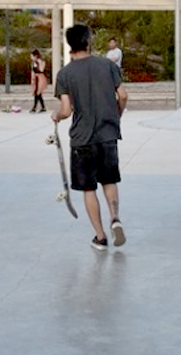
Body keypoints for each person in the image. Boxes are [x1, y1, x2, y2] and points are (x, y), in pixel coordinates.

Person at [51, 24, 129, 251]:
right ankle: (115, 217)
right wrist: (117, 115)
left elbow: (66, 111)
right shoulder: (107, 65)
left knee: (88, 189)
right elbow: (123, 95)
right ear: (88, 42)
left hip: (82, 139)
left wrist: (56, 115)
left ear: (70, 45)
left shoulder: (65, 74)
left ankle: (101, 237)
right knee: (109, 181)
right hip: (107, 134)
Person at [30, 49, 48, 113]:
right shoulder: (33, 63)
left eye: (32, 56)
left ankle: (34, 107)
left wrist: (39, 63)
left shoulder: (41, 62)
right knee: (37, 93)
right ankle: (43, 107)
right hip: (36, 78)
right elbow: (32, 71)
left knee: (38, 92)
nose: (31, 58)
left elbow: (41, 69)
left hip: (40, 77)